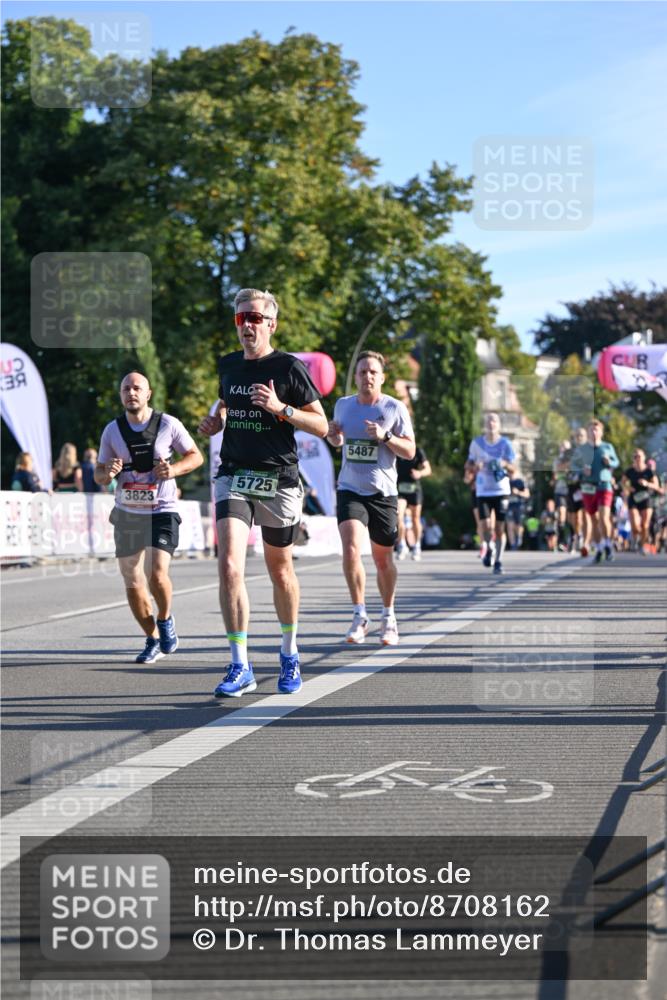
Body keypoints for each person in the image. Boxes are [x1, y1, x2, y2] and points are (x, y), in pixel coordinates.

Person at [199, 288, 327, 698]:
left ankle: (289, 652)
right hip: (234, 475)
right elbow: (223, 402)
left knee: (280, 570)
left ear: (271, 324)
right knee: (231, 568)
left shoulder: (288, 368)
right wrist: (215, 419)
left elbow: (322, 426)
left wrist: (280, 408)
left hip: (278, 478)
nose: (247, 325)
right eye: (241, 319)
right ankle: (240, 664)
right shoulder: (229, 366)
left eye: (255, 318)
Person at [95, 372, 203, 663]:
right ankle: (152, 638)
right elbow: (99, 474)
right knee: (132, 580)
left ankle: (165, 619)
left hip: (162, 509)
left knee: (157, 574)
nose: (131, 392)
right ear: (121, 395)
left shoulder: (168, 424)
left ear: (148, 393)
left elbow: (195, 456)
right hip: (128, 512)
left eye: (136, 388)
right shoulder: (112, 431)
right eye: (126, 388)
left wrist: (174, 470)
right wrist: (109, 473)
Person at [326, 350, 415, 646]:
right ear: (356, 377)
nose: (368, 377)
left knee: (382, 560)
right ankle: (359, 613)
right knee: (351, 549)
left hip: (383, 493)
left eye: (373, 372)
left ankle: (388, 616)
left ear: (382, 378)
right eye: (363, 372)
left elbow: (410, 452)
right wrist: (334, 436)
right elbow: (339, 442)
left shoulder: (394, 408)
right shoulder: (343, 406)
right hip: (350, 488)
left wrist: (386, 437)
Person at [467, 412, 516, 574]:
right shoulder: (477, 443)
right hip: (483, 490)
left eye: (494, 421)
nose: (491, 424)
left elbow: (514, 469)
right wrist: (475, 467)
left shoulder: (505, 444)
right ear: (485, 425)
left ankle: (499, 561)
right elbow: (468, 465)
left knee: (500, 527)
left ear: (499, 425)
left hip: (501, 490)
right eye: (488, 421)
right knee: (486, 525)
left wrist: (504, 464)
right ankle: (489, 547)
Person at [570, 419, 619, 563]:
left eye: (596, 429)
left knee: (604, 517)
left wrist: (609, 462)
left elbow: (616, 462)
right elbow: (574, 465)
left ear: (601, 432)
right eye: (591, 429)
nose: (594, 432)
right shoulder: (582, 449)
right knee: (593, 519)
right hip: (588, 487)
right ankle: (599, 547)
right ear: (588, 432)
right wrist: (581, 470)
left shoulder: (607, 447)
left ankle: (608, 545)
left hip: (604, 484)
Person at [395, 445, 431, 561]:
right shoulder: (395, 448)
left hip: (414, 489)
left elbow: (428, 469)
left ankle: (417, 546)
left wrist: (419, 473)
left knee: (415, 518)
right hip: (400, 488)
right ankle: (402, 545)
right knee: (398, 516)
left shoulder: (418, 450)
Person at [622, 448, 661, 554]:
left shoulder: (649, 471)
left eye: (639, 456)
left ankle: (643, 545)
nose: (638, 458)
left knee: (645, 524)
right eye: (635, 456)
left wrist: (647, 484)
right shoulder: (630, 471)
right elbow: (623, 482)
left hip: (646, 499)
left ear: (644, 457)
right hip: (634, 498)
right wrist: (628, 488)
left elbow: (657, 486)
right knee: (635, 524)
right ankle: (636, 538)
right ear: (633, 459)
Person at [566, 426, 588, 554]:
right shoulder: (570, 452)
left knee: (585, 515)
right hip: (573, 486)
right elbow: (559, 465)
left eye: (582, 436)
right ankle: (576, 533)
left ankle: (584, 540)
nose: (579, 438)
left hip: (586, 486)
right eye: (577, 436)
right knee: (574, 516)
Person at [506, 474, 530, 550]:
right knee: (510, 526)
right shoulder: (505, 481)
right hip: (509, 506)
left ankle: (518, 538)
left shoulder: (520, 481)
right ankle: (513, 545)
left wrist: (517, 492)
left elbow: (527, 495)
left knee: (518, 526)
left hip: (519, 506)